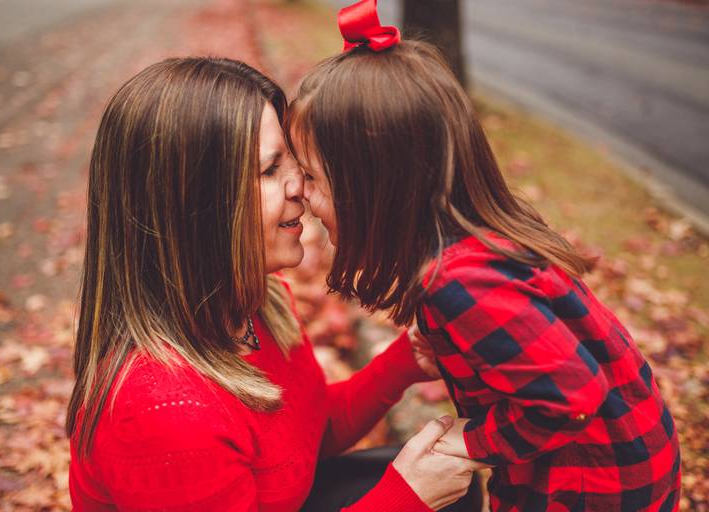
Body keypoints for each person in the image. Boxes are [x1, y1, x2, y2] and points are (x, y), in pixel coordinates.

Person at [285, 1, 682, 510]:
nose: (302, 193)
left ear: (375, 186)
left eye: (313, 177)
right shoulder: (479, 241)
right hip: (626, 450)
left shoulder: (460, 283)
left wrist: (471, 441)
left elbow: (570, 398)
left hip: (591, 484)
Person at [66, 56, 480, 511]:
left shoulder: (258, 303)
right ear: (191, 209)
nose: (300, 186)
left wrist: (406, 360)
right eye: (269, 170)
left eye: (296, 163)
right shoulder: (164, 413)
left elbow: (303, 436)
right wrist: (404, 500)